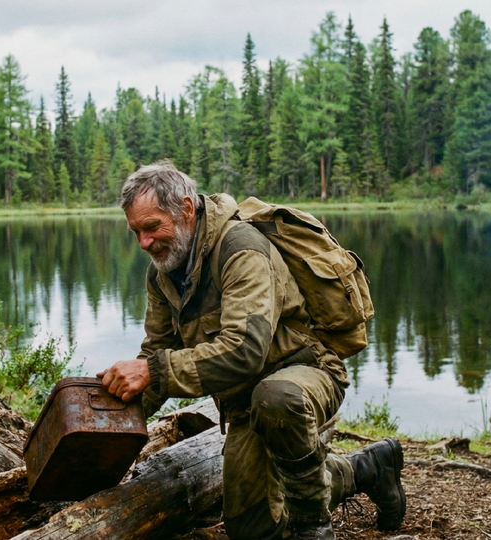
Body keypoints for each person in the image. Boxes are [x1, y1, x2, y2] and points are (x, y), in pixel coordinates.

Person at [98, 161, 405, 540]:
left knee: (275, 397)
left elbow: (244, 351)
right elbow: (157, 352)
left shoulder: (241, 249)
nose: (144, 243)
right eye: (135, 232)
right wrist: (110, 425)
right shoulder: (162, 272)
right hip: (245, 403)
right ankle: (369, 468)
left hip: (306, 375)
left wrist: (155, 372)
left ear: (187, 209)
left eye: (151, 227)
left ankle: (314, 526)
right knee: (252, 528)